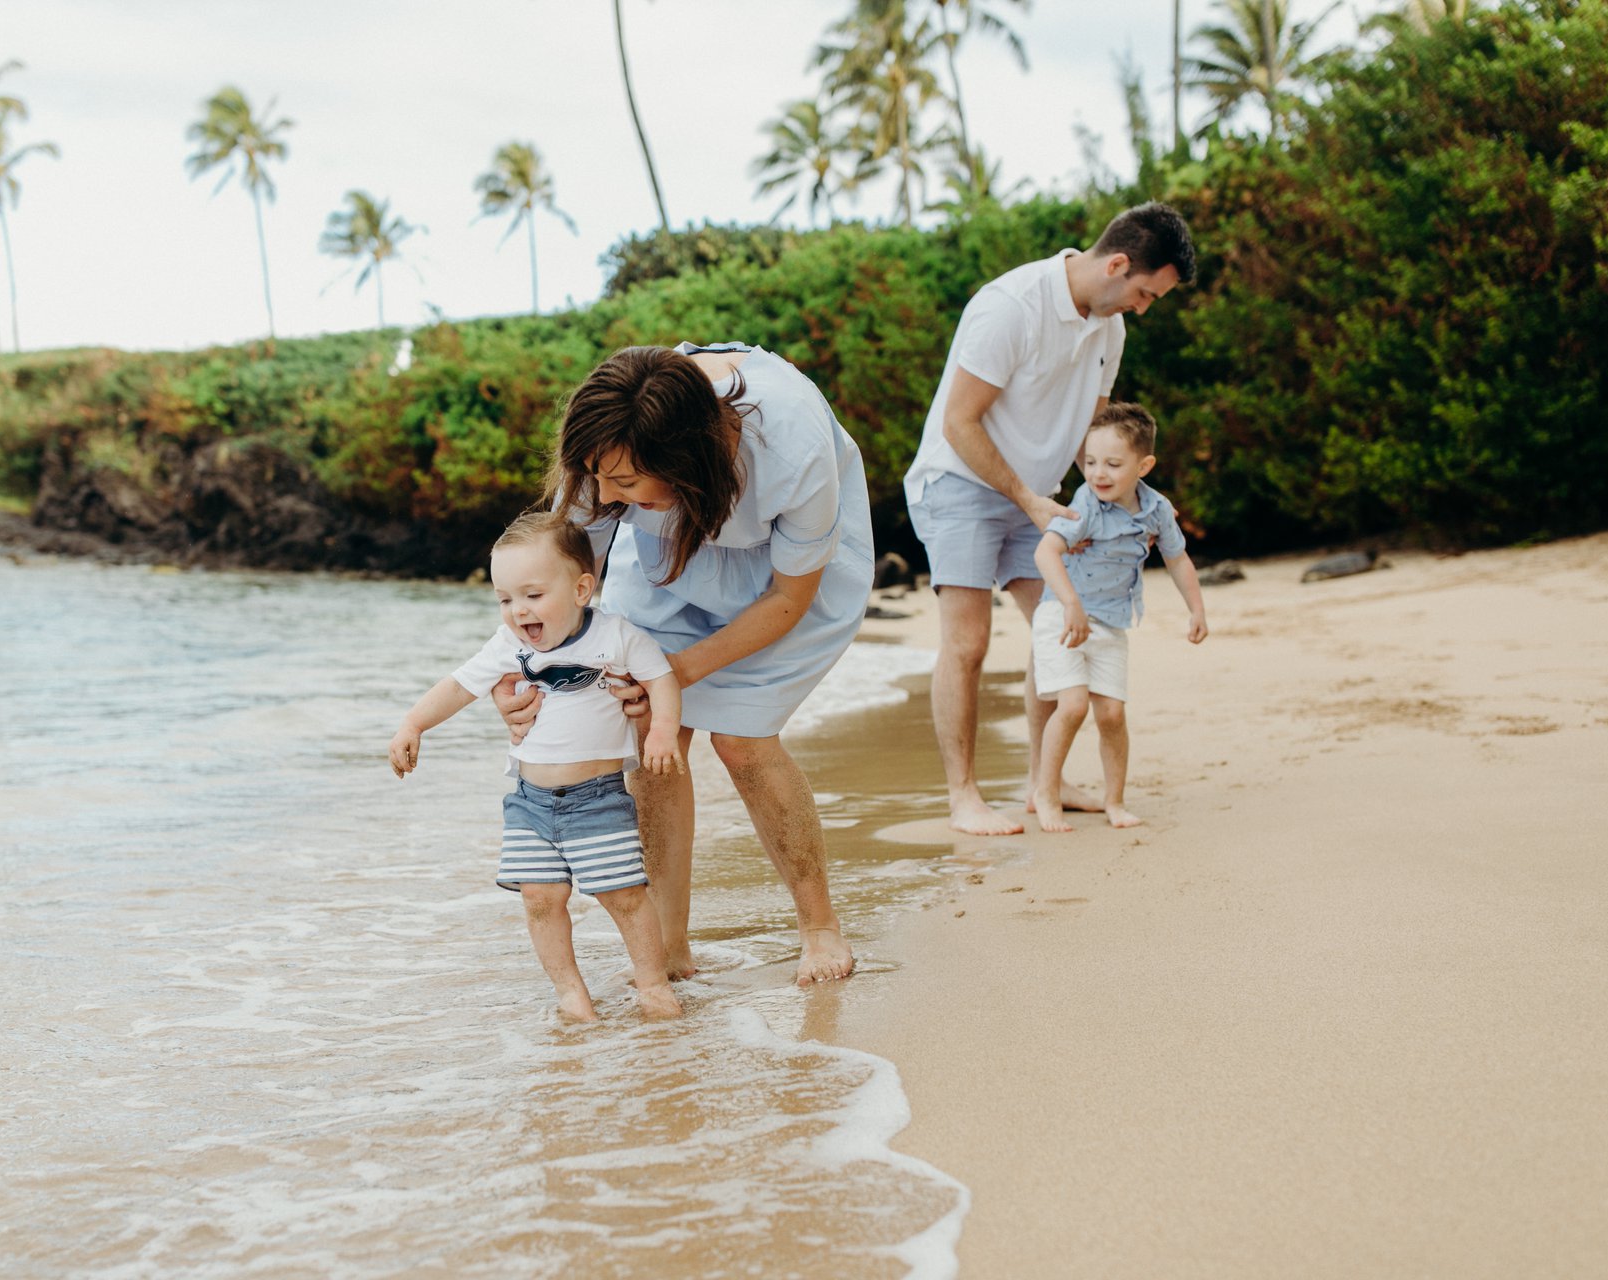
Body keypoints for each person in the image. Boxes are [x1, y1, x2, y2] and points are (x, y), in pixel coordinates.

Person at [502, 342, 874, 986]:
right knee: (654, 733)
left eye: (624, 483)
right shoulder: (611, 443)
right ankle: (669, 945)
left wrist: (678, 670)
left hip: (783, 582)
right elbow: (564, 576)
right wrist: (524, 676)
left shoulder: (793, 450)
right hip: (669, 557)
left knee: (743, 742)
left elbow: (790, 597)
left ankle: (818, 926)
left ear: (685, 461)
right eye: (599, 479)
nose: (605, 495)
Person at [905, 202, 1197, 836]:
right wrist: (1026, 496)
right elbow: (959, 423)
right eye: (1145, 293)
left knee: (1064, 627)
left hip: (1038, 494)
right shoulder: (1011, 306)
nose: (1144, 308)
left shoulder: (1109, 330)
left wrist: (1110, 504)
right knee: (968, 642)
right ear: (1117, 265)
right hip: (959, 481)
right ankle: (964, 798)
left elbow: (1088, 438)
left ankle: (1048, 783)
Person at [388, 512, 685, 1022]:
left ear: (581, 588)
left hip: (599, 798)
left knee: (625, 897)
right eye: (505, 599)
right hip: (529, 803)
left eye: (532, 595)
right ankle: (571, 993)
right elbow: (459, 685)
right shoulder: (510, 646)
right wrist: (413, 724)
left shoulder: (616, 635)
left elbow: (662, 679)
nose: (517, 610)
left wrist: (659, 731)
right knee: (540, 899)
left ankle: (653, 984)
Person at [1028, 402, 1208, 832]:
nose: (1098, 474)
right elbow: (1045, 550)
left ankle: (1115, 801)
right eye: (1090, 462)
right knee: (1071, 706)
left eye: (1112, 464)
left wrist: (1196, 609)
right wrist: (1070, 602)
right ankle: (1046, 792)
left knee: (1111, 715)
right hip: (1062, 616)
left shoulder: (1157, 510)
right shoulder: (1086, 504)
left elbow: (1177, 558)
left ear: (1144, 465)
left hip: (1111, 621)